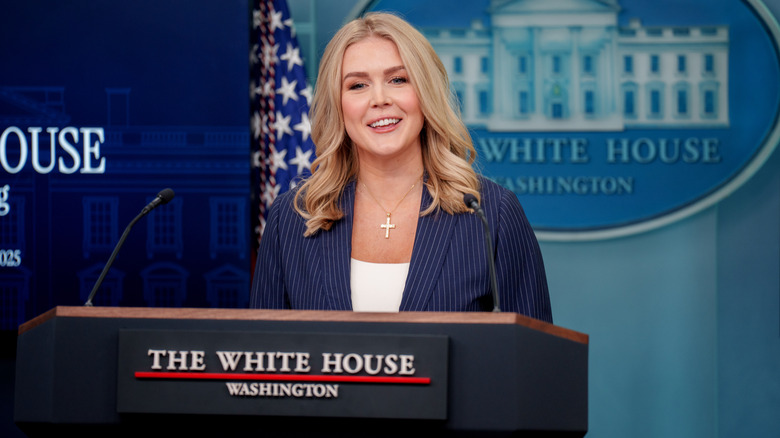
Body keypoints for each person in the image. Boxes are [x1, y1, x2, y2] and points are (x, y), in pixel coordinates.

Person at [250, 12, 552, 322]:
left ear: (425, 94)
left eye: (398, 79)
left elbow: (532, 360)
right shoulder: (291, 217)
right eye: (357, 85)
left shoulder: (491, 213)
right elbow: (260, 357)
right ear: (337, 105)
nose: (379, 99)